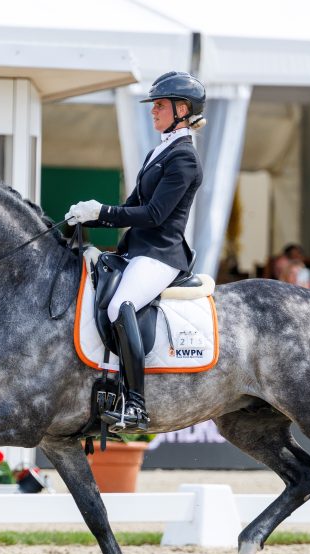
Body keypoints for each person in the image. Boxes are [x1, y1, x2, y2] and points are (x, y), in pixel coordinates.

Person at [64, 71, 206, 431]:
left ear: (182, 109)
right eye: (154, 105)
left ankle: (136, 402)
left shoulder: (184, 158)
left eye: (159, 105)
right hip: (138, 250)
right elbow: (130, 207)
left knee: (119, 305)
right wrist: (88, 217)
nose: (153, 111)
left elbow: (155, 215)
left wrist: (102, 211)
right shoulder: (158, 151)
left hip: (161, 254)